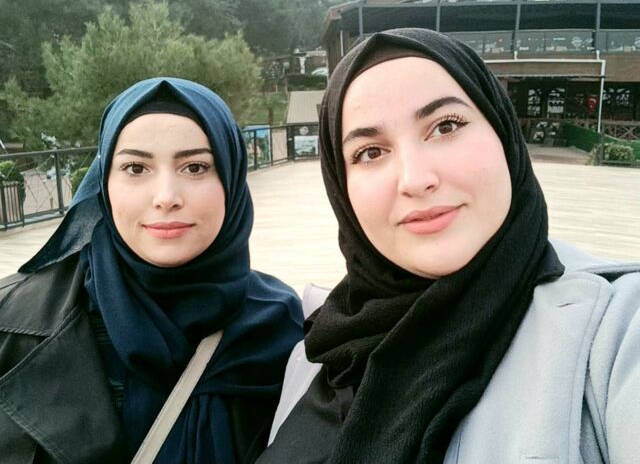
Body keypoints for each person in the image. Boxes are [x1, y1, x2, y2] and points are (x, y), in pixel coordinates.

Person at [256, 28, 640, 464]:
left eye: (446, 126)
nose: (415, 179)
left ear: (502, 132)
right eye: (370, 152)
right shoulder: (317, 353)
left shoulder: (615, 333)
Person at [0, 77, 303, 464]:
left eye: (195, 167)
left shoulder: (283, 328)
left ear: (231, 177)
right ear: (103, 183)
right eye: (135, 167)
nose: (166, 197)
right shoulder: (13, 327)